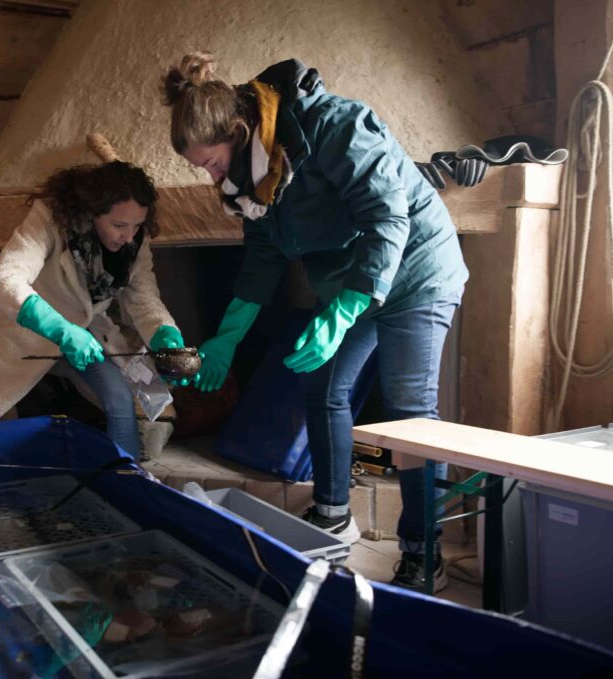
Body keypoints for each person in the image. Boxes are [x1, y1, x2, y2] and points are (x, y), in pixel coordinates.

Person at [161, 53, 468, 592]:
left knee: (409, 413)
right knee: (324, 385)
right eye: (201, 168)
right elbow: (263, 253)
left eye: (210, 162)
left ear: (238, 130)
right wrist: (228, 335)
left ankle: (423, 551)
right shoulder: (246, 175)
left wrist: (344, 310)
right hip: (352, 283)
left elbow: (387, 216)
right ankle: (332, 512)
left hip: (417, 271)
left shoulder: (331, 125)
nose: (209, 174)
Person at [0, 161, 186, 458]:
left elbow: (144, 300)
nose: (129, 236)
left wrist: (166, 337)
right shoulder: (49, 219)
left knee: (118, 399)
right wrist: (61, 330)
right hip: (26, 334)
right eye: (119, 225)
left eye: (137, 225)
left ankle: (127, 481)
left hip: (86, 337)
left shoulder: (134, 242)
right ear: (92, 213)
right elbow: (4, 280)